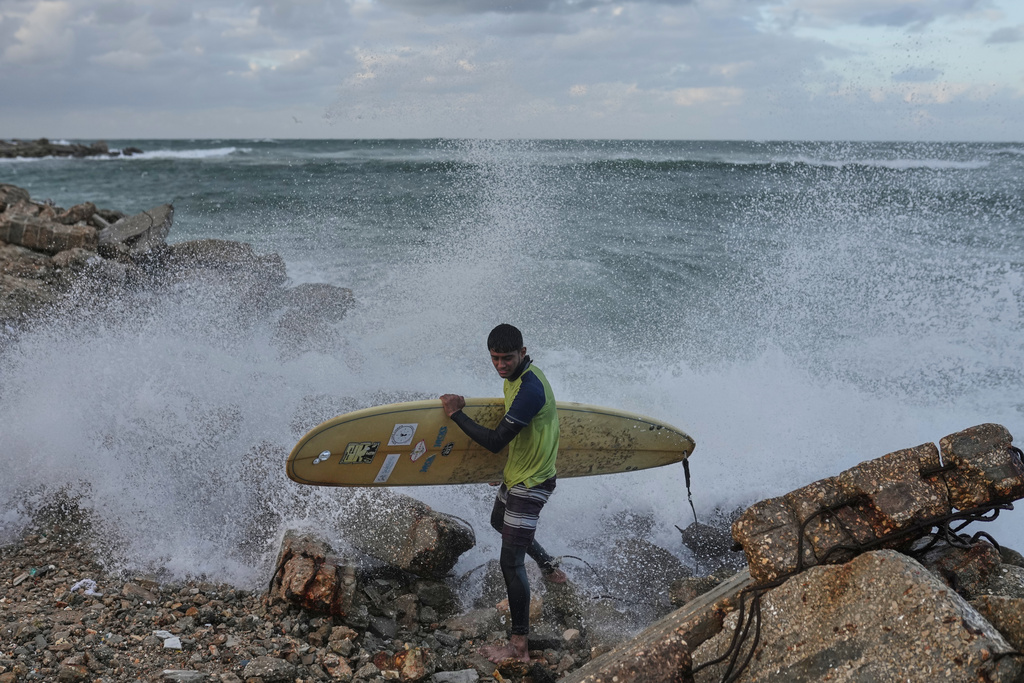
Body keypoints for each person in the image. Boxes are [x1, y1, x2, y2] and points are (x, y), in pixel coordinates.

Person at [440, 323, 566, 663]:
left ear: (522, 353)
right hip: (516, 474)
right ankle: (549, 564)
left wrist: (457, 414)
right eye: (495, 359)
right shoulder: (517, 379)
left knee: (510, 562)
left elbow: (496, 442)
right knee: (498, 521)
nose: (500, 366)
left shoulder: (530, 390)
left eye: (507, 358)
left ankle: (519, 645)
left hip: (532, 483)